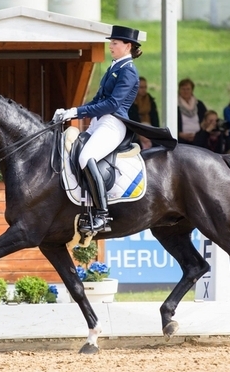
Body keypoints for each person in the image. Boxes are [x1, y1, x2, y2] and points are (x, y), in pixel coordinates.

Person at [53, 25, 143, 233]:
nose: (110, 46)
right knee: (71, 152)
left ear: (127, 46)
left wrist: (75, 112)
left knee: (86, 157)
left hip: (114, 122)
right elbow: (97, 99)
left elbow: (112, 104)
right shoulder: (114, 67)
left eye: (115, 43)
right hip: (99, 122)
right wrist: (71, 111)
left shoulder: (128, 71)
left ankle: (102, 214)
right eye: (111, 42)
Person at [128, 76, 160, 149]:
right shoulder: (131, 102)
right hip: (136, 130)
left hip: (150, 128)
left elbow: (155, 118)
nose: (143, 90)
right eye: (141, 87)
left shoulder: (150, 101)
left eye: (145, 87)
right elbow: (132, 118)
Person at [177, 78, 206, 144]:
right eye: (183, 89)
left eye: (188, 89)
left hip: (199, 137)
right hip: (181, 138)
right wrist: (179, 134)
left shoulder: (199, 104)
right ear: (179, 90)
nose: (186, 91)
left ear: (192, 90)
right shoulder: (174, 105)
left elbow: (206, 119)